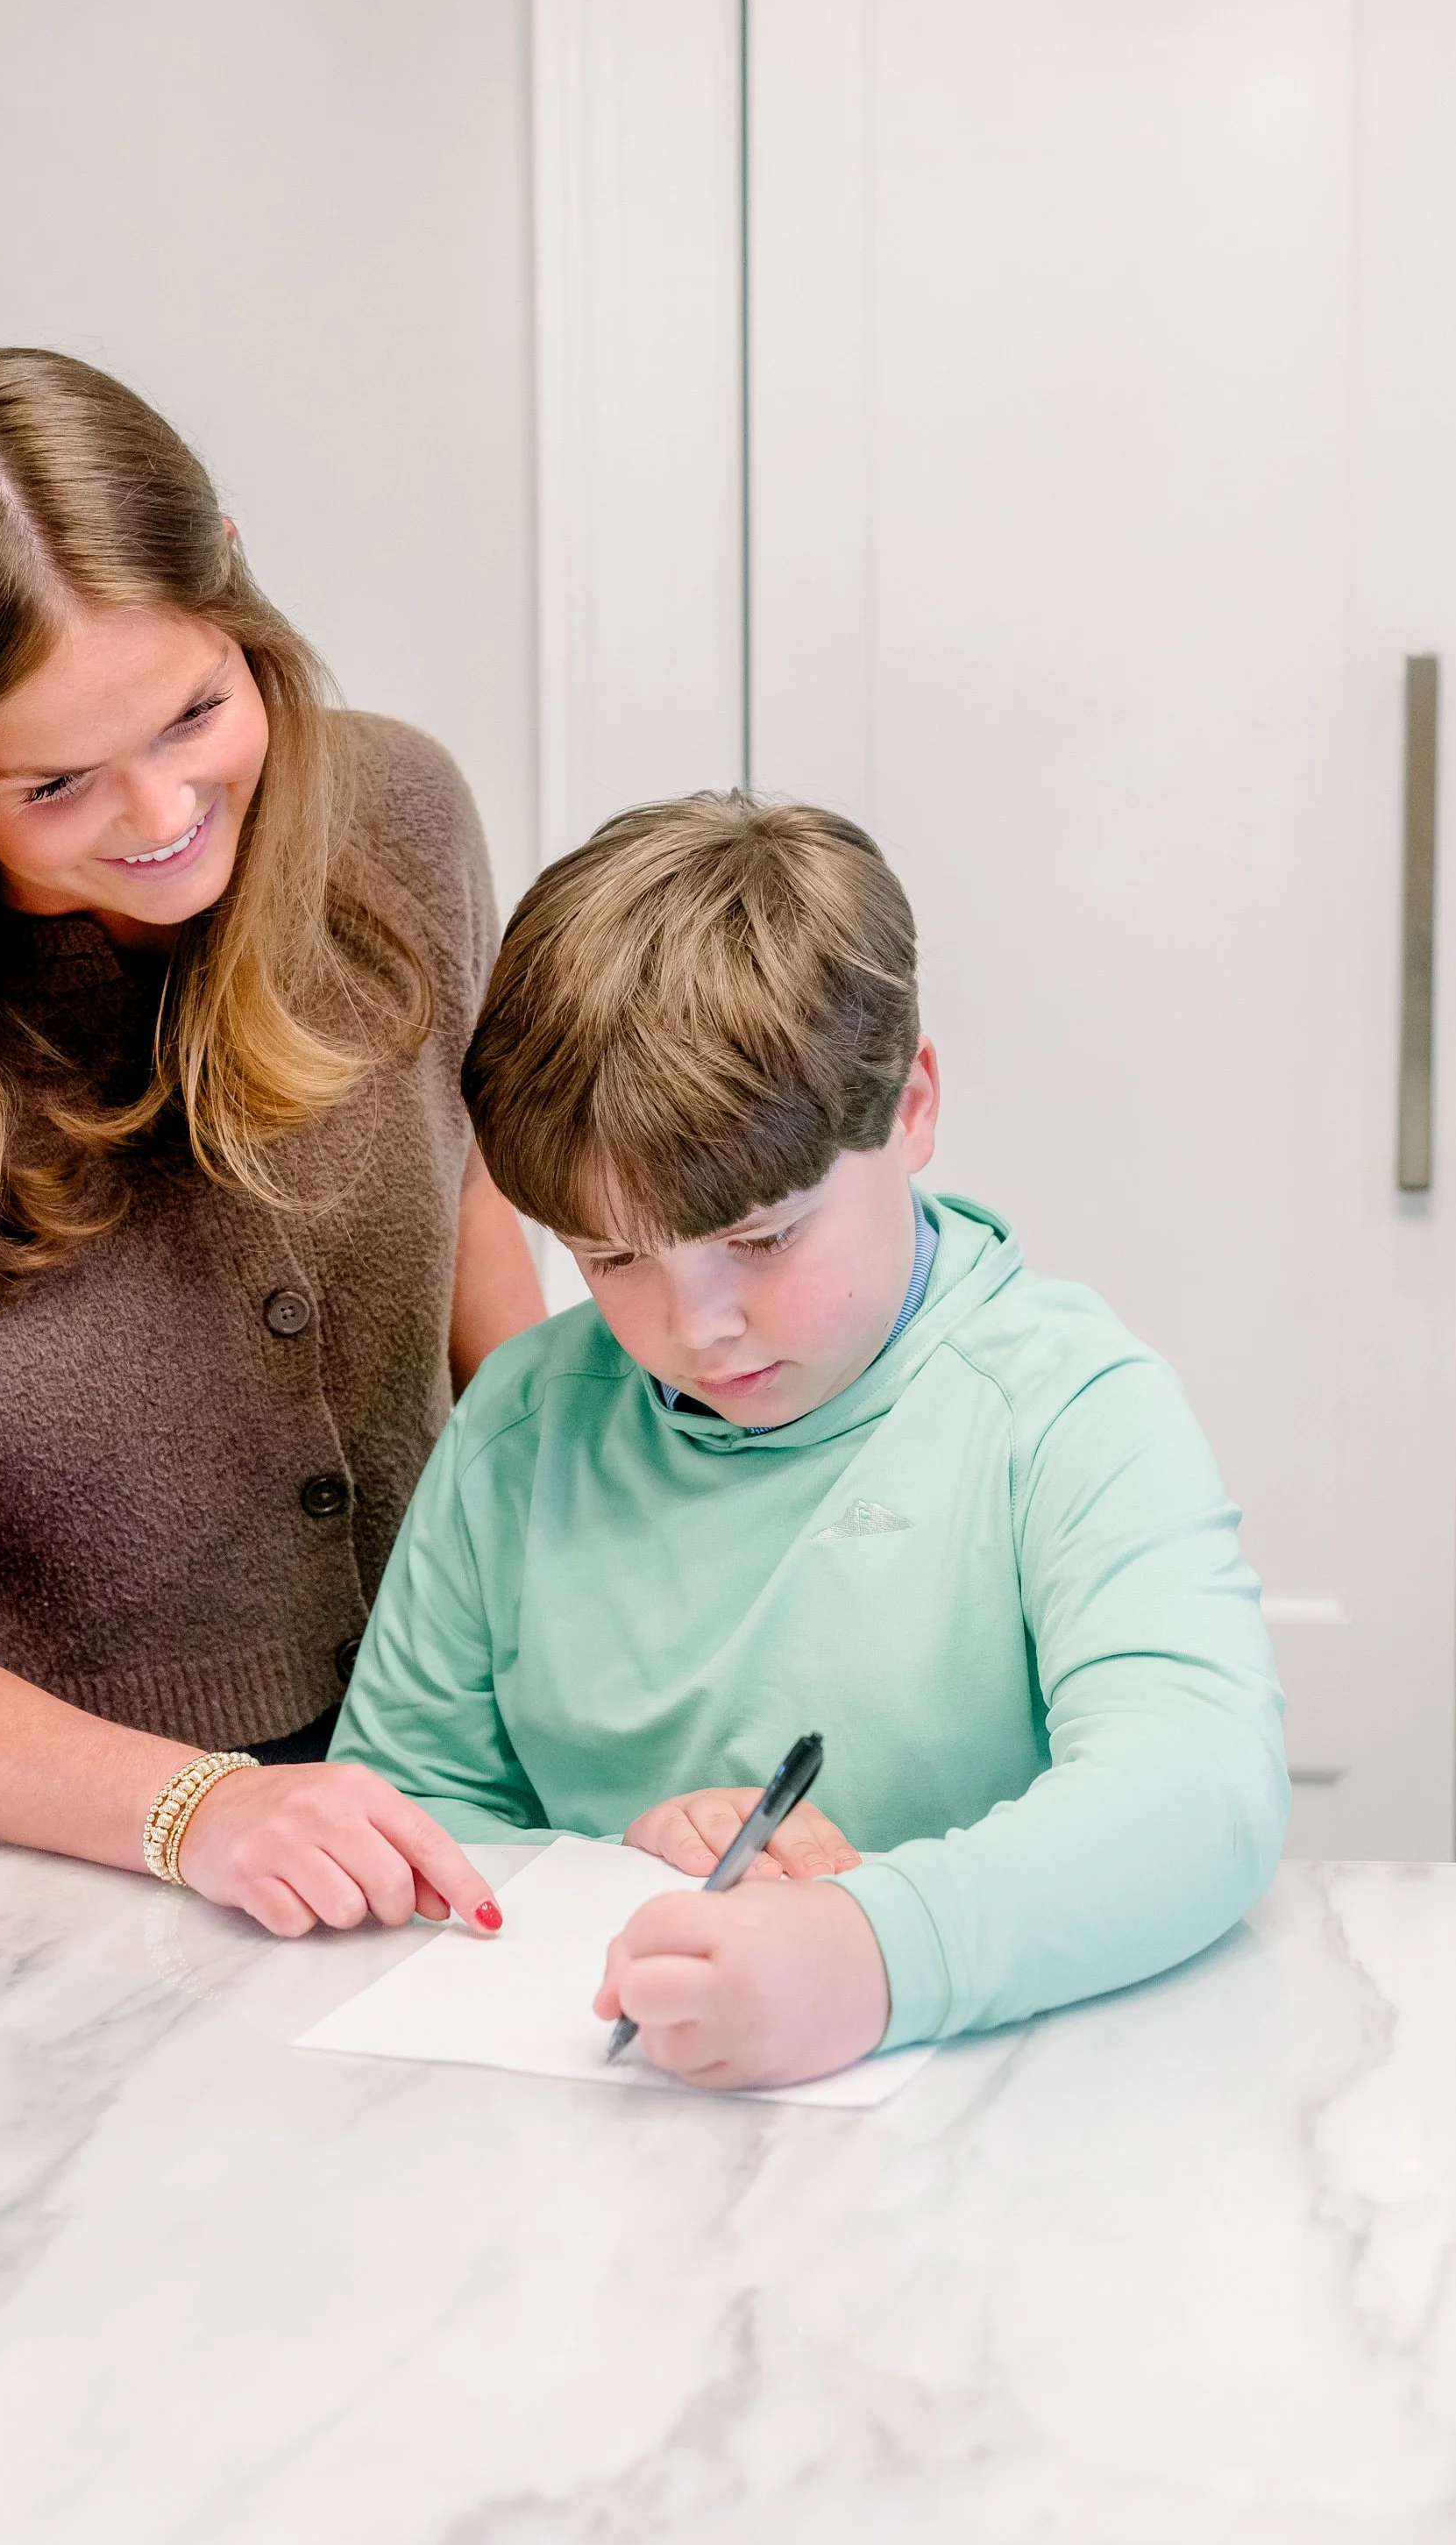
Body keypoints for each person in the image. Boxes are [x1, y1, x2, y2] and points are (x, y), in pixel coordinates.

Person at [0, 347, 543, 1932]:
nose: (159, 810)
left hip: (450, 1757)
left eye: (198, 710)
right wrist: (197, 1808)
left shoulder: (402, 824)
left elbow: (482, 1259)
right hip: (61, 1853)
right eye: (58, 780)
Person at [330, 793, 1289, 2086]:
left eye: (765, 1238)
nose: (696, 1326)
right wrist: (621, 1855)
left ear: (912, 1107)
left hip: (998, 2132)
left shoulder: (1066, 1407)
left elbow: (1201, 1790)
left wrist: (865, 1954)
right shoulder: (523, 1423)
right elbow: (402, 1817)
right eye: (612, 1259)